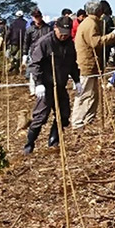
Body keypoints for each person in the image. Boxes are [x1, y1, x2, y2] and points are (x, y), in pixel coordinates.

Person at [23, 17, 80, 155]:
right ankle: (29, 145)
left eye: (66, 33)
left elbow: (72, 64)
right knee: (41, 116)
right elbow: (34, 64)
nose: (63, 35)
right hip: (46, 85)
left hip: (60, 85)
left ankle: (53, 141)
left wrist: (77, 81)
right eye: (61, 32)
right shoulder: (45, 43)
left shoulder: (69, 44)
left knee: (64, 115)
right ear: (55, 27)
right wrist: (39, 83)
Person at [71, 0, 115, 128]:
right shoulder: (90, 24)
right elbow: (95, 42)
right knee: (84, 94)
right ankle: (77, 121)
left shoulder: (90, 22)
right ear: (98, 11)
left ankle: (89, 119)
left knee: (93, 94)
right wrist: (112, 36)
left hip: (91, 64)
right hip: (86, 64)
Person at [24, 9, 51, 94]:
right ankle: (33, 90)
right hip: (34, 53)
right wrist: (24, 54)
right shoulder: (30, 30)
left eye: (38, 17)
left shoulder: (48, 29)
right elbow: (26, 42)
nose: (37, 19)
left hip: (46, 53)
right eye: (35, 17)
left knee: (46, 70)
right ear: (33, 18)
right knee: (34, 71)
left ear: (41, 17)